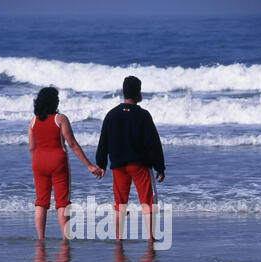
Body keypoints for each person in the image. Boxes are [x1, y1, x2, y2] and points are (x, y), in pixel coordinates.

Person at [96, 76, 165, 240]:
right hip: (139, 165)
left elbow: (103, 141)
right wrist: (159, 167)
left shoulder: (111, 114)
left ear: (123, 92)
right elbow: (153, 142)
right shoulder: (143, 115)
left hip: (118, 166)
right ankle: (150, 236)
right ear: (138, 92)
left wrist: (101, 164)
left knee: (120, 203)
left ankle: (118, 238)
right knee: (148, 201)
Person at [28, 87, 103, 240]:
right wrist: (89, 165)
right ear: (54, 101)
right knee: (62, 201)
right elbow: (72, 143)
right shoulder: (60, 119)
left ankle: (41, 238)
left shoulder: (34, 120)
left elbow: (31, 147)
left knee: (41, 202)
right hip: (57, 162)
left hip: (38, 162)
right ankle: (65, 238)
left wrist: (35, 164)